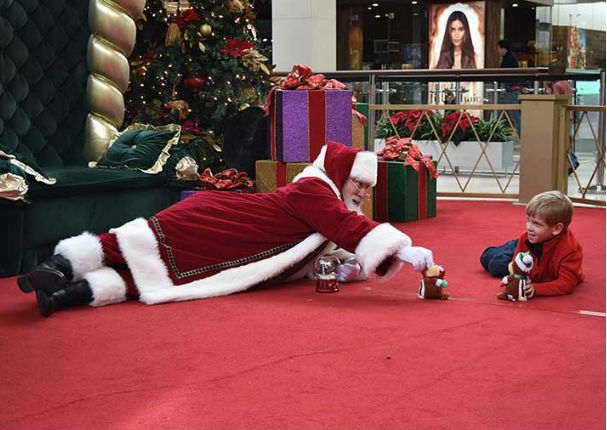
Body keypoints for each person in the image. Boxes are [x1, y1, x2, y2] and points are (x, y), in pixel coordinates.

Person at [17, 141, 435, 316]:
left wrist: (351, 269)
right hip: (218, 220)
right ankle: (58, 267)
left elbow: (319, 250)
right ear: (341, 173)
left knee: (159, 274)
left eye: (367, 186)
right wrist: (402, 249)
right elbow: (347, 227)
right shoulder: (315, 189)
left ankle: (63, 297)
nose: (361, 191)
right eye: (358, 181)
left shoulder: (326, 203)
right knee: (132, 243)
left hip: (233, 246)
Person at [480, 190, 584, 299]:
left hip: (537, 256)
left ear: (557, 228)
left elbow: (566, 284)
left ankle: (507, 249)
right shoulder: (526, 237)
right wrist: (519, 278)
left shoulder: (571, 249)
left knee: (495, 265)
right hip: (530, 246)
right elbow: (517, 265)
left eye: (536, 224)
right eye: (528, 220)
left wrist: (536, 288)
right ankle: (508, 246)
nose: (528, 227)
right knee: (488, 258)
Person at [544, 61, 579, 174]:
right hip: (568, 115)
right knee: (567, 139)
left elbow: (553, 98)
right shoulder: (566, 83)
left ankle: (572, 162)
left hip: (560, 115)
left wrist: (547, 88)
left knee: (563, 140)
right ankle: (572, 161)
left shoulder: (557, 85)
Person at [496, 39, 521, 135]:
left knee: (513, 116)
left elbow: (505, 74)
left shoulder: (509, 59)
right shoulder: (510, 57)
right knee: (502, 116)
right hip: (508, 90)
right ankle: (498, 134)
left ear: (503, 48)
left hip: (510, 91)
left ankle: (521, 136)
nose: (498, 51)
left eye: (498, 48)